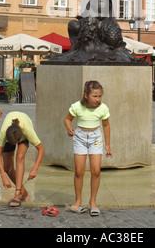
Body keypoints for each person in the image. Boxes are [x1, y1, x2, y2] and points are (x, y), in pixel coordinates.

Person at [64, 80, 112, 216]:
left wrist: (107, 145)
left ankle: (93, 202)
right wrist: (69, 128)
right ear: (86, 95)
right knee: (79, 171)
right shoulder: (77, 107)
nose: (98, 99)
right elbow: (67, 119)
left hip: (95, 138)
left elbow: (106, 125)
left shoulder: (103, 108)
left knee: (96, 171)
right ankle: (78, 201)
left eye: (99, 96)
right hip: (80, 137)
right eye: (95, 96)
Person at [0, 111, 44, 207]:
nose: (15, 145)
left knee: (20, 157)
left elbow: (41, 149)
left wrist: (35, 168)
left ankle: (17, 193)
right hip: (11, 134)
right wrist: (3, 175)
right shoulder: (4, 133)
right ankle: (23, 192)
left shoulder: (27, 130)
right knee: (7, 168)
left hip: (23, 130)